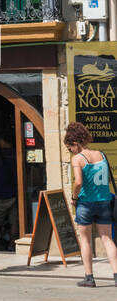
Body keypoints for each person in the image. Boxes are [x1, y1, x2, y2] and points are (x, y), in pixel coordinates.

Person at [65, 121, 117, 287]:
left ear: (75, 143)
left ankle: (89, 277)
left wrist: (74, 198)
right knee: (107, 239)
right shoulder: (102, 155)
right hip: (104, 201)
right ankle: (116, 274)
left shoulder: (77, 159)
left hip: (86, 203)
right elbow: (108, 180)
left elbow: (78, 182)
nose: (71, 151)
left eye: (70, 148)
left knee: (85, 241)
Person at [0, 134, 18, 251]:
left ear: (3, 140)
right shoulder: (17, 153)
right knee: (14, 221)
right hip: (14, 193)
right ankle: (11, 245)